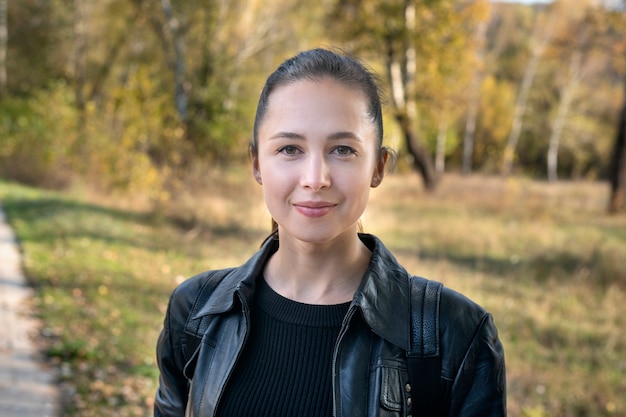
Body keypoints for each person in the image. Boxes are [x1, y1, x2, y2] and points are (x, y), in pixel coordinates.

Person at [154, 48, 506, 417]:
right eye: (290, 148)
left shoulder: (453, 336)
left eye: (342, 149)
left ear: (378, 167)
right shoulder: (196, 313)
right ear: (257, 163)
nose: (315, 179)